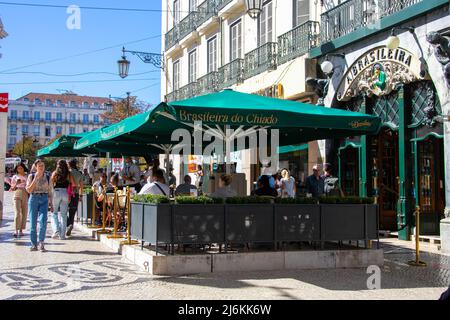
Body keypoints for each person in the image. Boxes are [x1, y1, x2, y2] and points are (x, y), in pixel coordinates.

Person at [26, 159, 52, 252]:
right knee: (33, 223)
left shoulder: (48, 177)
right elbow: (28, 190)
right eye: (40, 166)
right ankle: (34, 244)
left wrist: (51, 203)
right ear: (36, 167)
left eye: (43, 166)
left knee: (43, 221)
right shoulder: (31, 176)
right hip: (34, 198)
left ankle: (41, 242)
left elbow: (50, 191)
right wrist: (35, 178)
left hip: (44, 199)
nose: (41, 168)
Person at [50, 160, 76, 240]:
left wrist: (50, 197)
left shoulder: (54, 173)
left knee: (54, 213)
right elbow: (74, 184)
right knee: (64, 215)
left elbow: (50, 185)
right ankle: (62, 236)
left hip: (56, 192)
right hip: (65, 193)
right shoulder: (69, 173)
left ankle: (56, 230)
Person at [10, 162, 29, 238]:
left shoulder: (27, 176)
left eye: (21, 168)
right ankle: (16, 230)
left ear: (24, 168)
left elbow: (29, 186)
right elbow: (12, 188)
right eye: (18, 168)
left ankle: (21, 230)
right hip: (17, 192)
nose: (19, 169)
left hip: (25, 193)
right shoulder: (15, 177)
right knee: (17, 212)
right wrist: (16, 184)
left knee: (24, 212)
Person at [66, 159, 83, 237]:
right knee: (72, 211)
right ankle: (70, 225)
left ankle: (68, 223)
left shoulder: (67, 173)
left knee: (63, 210)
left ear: (69, 165)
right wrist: (81, 195)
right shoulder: (79, 173)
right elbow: (81, 186)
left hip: (67, 193)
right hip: (75, 194)